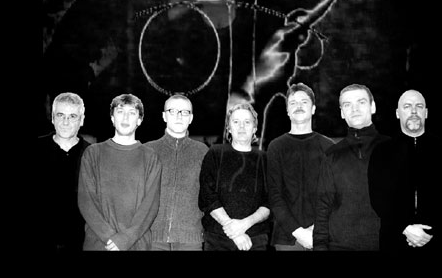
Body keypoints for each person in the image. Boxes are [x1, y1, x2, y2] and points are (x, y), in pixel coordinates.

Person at [368, 89, 442, 253]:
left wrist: (428, 231)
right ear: (397, 113)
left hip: (435, 240)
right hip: (394, 239)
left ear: (426, 113)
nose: (413, 111)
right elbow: (377, 198)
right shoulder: (382, 152)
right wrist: (404, 227)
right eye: (407, 106)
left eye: (419, 106)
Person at [78, 93, 162, 251]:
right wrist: (110, 238)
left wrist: (126, 239)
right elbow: (86, 201)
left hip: (137, 244)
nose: (125, 118)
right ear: (112, 117)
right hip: (99, 243)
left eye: (132, 113)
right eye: (120, 111)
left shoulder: (151, 157)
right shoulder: (93, 153)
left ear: (139, 120)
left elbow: (150, 206)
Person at [313, 83, 391, 251]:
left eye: (361, 102)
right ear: (342, 112)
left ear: (373, 107)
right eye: (347, 104)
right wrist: (319, 247)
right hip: (340, 247)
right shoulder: (332, 155)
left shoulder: (394, 149)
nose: (354, 109)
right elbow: (322, 207)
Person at [267, 82, 335, 251]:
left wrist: (317, 229)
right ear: (287, 111)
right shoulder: (276, 147)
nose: (298, 106)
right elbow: (274, 196)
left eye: (304, 102)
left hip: (324, 235)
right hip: (287, 238)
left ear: (313, 109)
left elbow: (334, 194)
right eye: (293, 103)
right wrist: (299, 233)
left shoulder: (329, 147)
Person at [198, 102, 271, 251]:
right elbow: (207, 197)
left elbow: (270, 202)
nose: (241, 126)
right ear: (229, 128)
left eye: (247, 122)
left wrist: (244, 225)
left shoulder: (265, 159)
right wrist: (233, 231)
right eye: (236, 122)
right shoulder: (215, 154)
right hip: (217, 239)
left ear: (255, 128)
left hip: (255, 240)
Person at [143, 94, 209, 251]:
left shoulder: (203, 152)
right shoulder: (147, 150)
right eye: (173, 111)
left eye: (184, 112)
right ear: (164, 116)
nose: (179, 116)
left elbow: (209, 195)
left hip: (190, 240)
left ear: (191, 118)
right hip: (152, 239)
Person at [40, 92, 90, 252]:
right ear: (52, 118)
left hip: (81, 243)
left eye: (72, 116)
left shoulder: (93, 155)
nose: (65, 122)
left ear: (82, 120)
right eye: (60, 115)